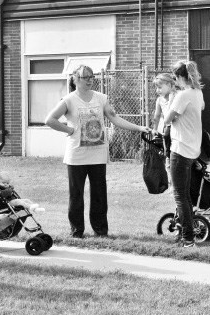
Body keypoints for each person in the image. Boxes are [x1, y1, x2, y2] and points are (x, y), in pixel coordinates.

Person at [45, 65, 150, 238]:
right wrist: (70, 130)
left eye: (91, 77)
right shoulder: (69, 100)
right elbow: (50, 119)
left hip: (98, 154)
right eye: (85, 77)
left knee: (99, 195)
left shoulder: (101, 98)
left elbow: (115, 118)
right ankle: (77, 231)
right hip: (76, 156)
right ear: (76, 79)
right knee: (76, 195)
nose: (89, 80)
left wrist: (139, 128)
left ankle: (101, 231)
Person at [164, 60, 205, 248]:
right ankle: (185, 233)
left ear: (180, 77)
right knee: (186, 196)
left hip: (180, 150)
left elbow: (167, 120)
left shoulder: (182, 95)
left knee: (180, 196)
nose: (175, 81)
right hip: (192, 149)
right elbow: (199, 109)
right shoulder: (198, 93)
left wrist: (172, 99)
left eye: (175, 78)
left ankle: (187, 238)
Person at [152, 73, 178, 170]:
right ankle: (168, 156)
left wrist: (171, 98)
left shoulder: (177, 96)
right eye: (156, 88)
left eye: (160, 87)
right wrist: (155, 128)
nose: (157, 90)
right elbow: (157, 115)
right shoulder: (159, 100)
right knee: (166, 136)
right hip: (168, 125)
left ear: (169, 85)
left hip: (178, 124)